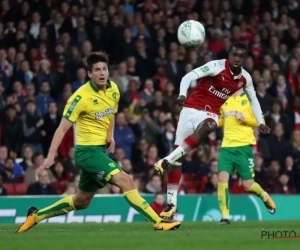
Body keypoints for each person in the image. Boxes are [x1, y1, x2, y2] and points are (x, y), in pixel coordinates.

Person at [16, 51, 181, 233]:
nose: (102, 73)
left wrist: (110, 135)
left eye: (104, 69)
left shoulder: (113, 89)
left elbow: (110, 113)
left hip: (99, 151)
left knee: (81, 201)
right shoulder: (80, 98)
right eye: (97, 70)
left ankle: (35, 216)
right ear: (89, 74)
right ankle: (158, 223)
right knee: (126, 181)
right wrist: (50, 157)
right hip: (87, 153)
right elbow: (62, 129)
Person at [154, 42, 271, 219]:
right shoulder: (216, 66)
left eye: (241, 56)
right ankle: (171, 205)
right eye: (234, 55)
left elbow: (253, 99)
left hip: (211, 114)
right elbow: (188, 76)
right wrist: (182, 94)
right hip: (190, 109)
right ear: (229, 55)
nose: (237, 58)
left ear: (245, 58)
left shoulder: (245, 78)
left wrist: (260, 121)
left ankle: (166, 160)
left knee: (209, 126)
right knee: (179, 160)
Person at [217, 88, 276, 224]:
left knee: (248, 185)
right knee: (222, 178)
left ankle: (265, 197)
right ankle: (225, 216)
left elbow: (261, 122)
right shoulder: (224, 99)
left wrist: (244, 117)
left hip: (244, 147)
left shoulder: (250, 100)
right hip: (226, 146)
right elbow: (221, 120)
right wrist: (211, 121)